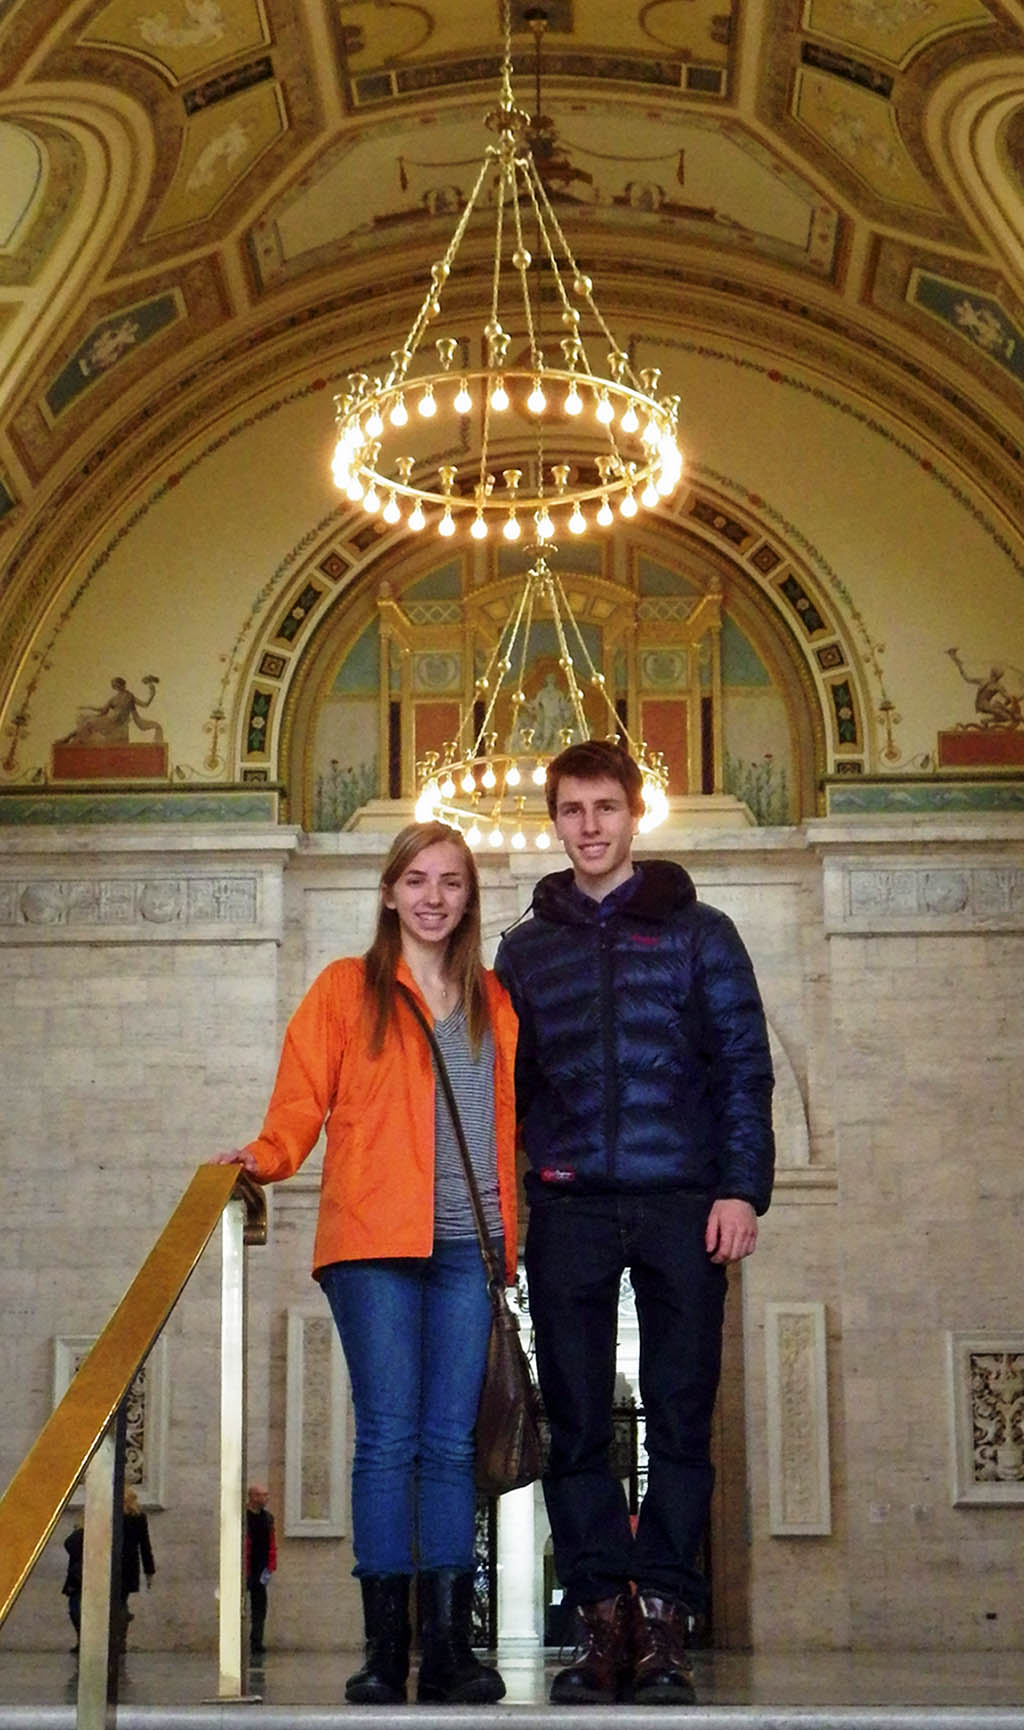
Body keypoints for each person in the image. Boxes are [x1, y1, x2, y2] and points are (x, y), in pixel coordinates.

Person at [211, 821, 518, 1707]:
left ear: (467, 896)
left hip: (468, 1250)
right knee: (389, 1439)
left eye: (450, 882)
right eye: (416, 879)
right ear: (389, 893)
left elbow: (503, 1125)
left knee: (450, 1444)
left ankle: (451, 1650)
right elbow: (301, 1099)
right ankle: (387, 1650)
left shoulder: (494, 1000)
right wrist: (262, 1159)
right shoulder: (347, 989)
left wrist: (509, 1241)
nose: (432, 896)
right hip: (371, 1246)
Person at [495, 740, 775, 1706]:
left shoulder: (704, 932)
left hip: (682, 1204)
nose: (589, 827)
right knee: (574, 1422)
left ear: (635, 814)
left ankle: (661, 1623)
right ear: (555, 820)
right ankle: (600, 1625)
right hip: (568, 1206)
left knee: (681, 1416)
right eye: (572, 810)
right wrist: (512, 1202)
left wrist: (742, 1189)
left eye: (606, 808)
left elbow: (743, 1068)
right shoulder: (524, 948)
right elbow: (509, 1092)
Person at [119, 1488, 155, 1649]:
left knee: (114, 1602)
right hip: (130, 1566)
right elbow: (145, 1546)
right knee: (122, 1601)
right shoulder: (138, 1517)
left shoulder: (111, 1516)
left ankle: (115, 1637)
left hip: (111, 1564)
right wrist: (149, 1571)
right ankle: (121, 1639)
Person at [245, 1484, 276, 1657]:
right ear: (253, 1497)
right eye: (263, 1495)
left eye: (267, 1494)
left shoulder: (268, 1518)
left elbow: (271, 1542)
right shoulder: (243, 1517)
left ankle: (256, 1641)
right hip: (245, 1567)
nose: (266, 1498)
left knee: (260, 1608)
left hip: (261, 1569)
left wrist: (271, 1566)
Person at [62, 1518, 84, 1653]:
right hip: (78, 1575)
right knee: (75, 1608)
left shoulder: (80, 1534)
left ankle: (82, 1639)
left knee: (75, 1608)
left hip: (78, 1576)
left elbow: (69, 1543)